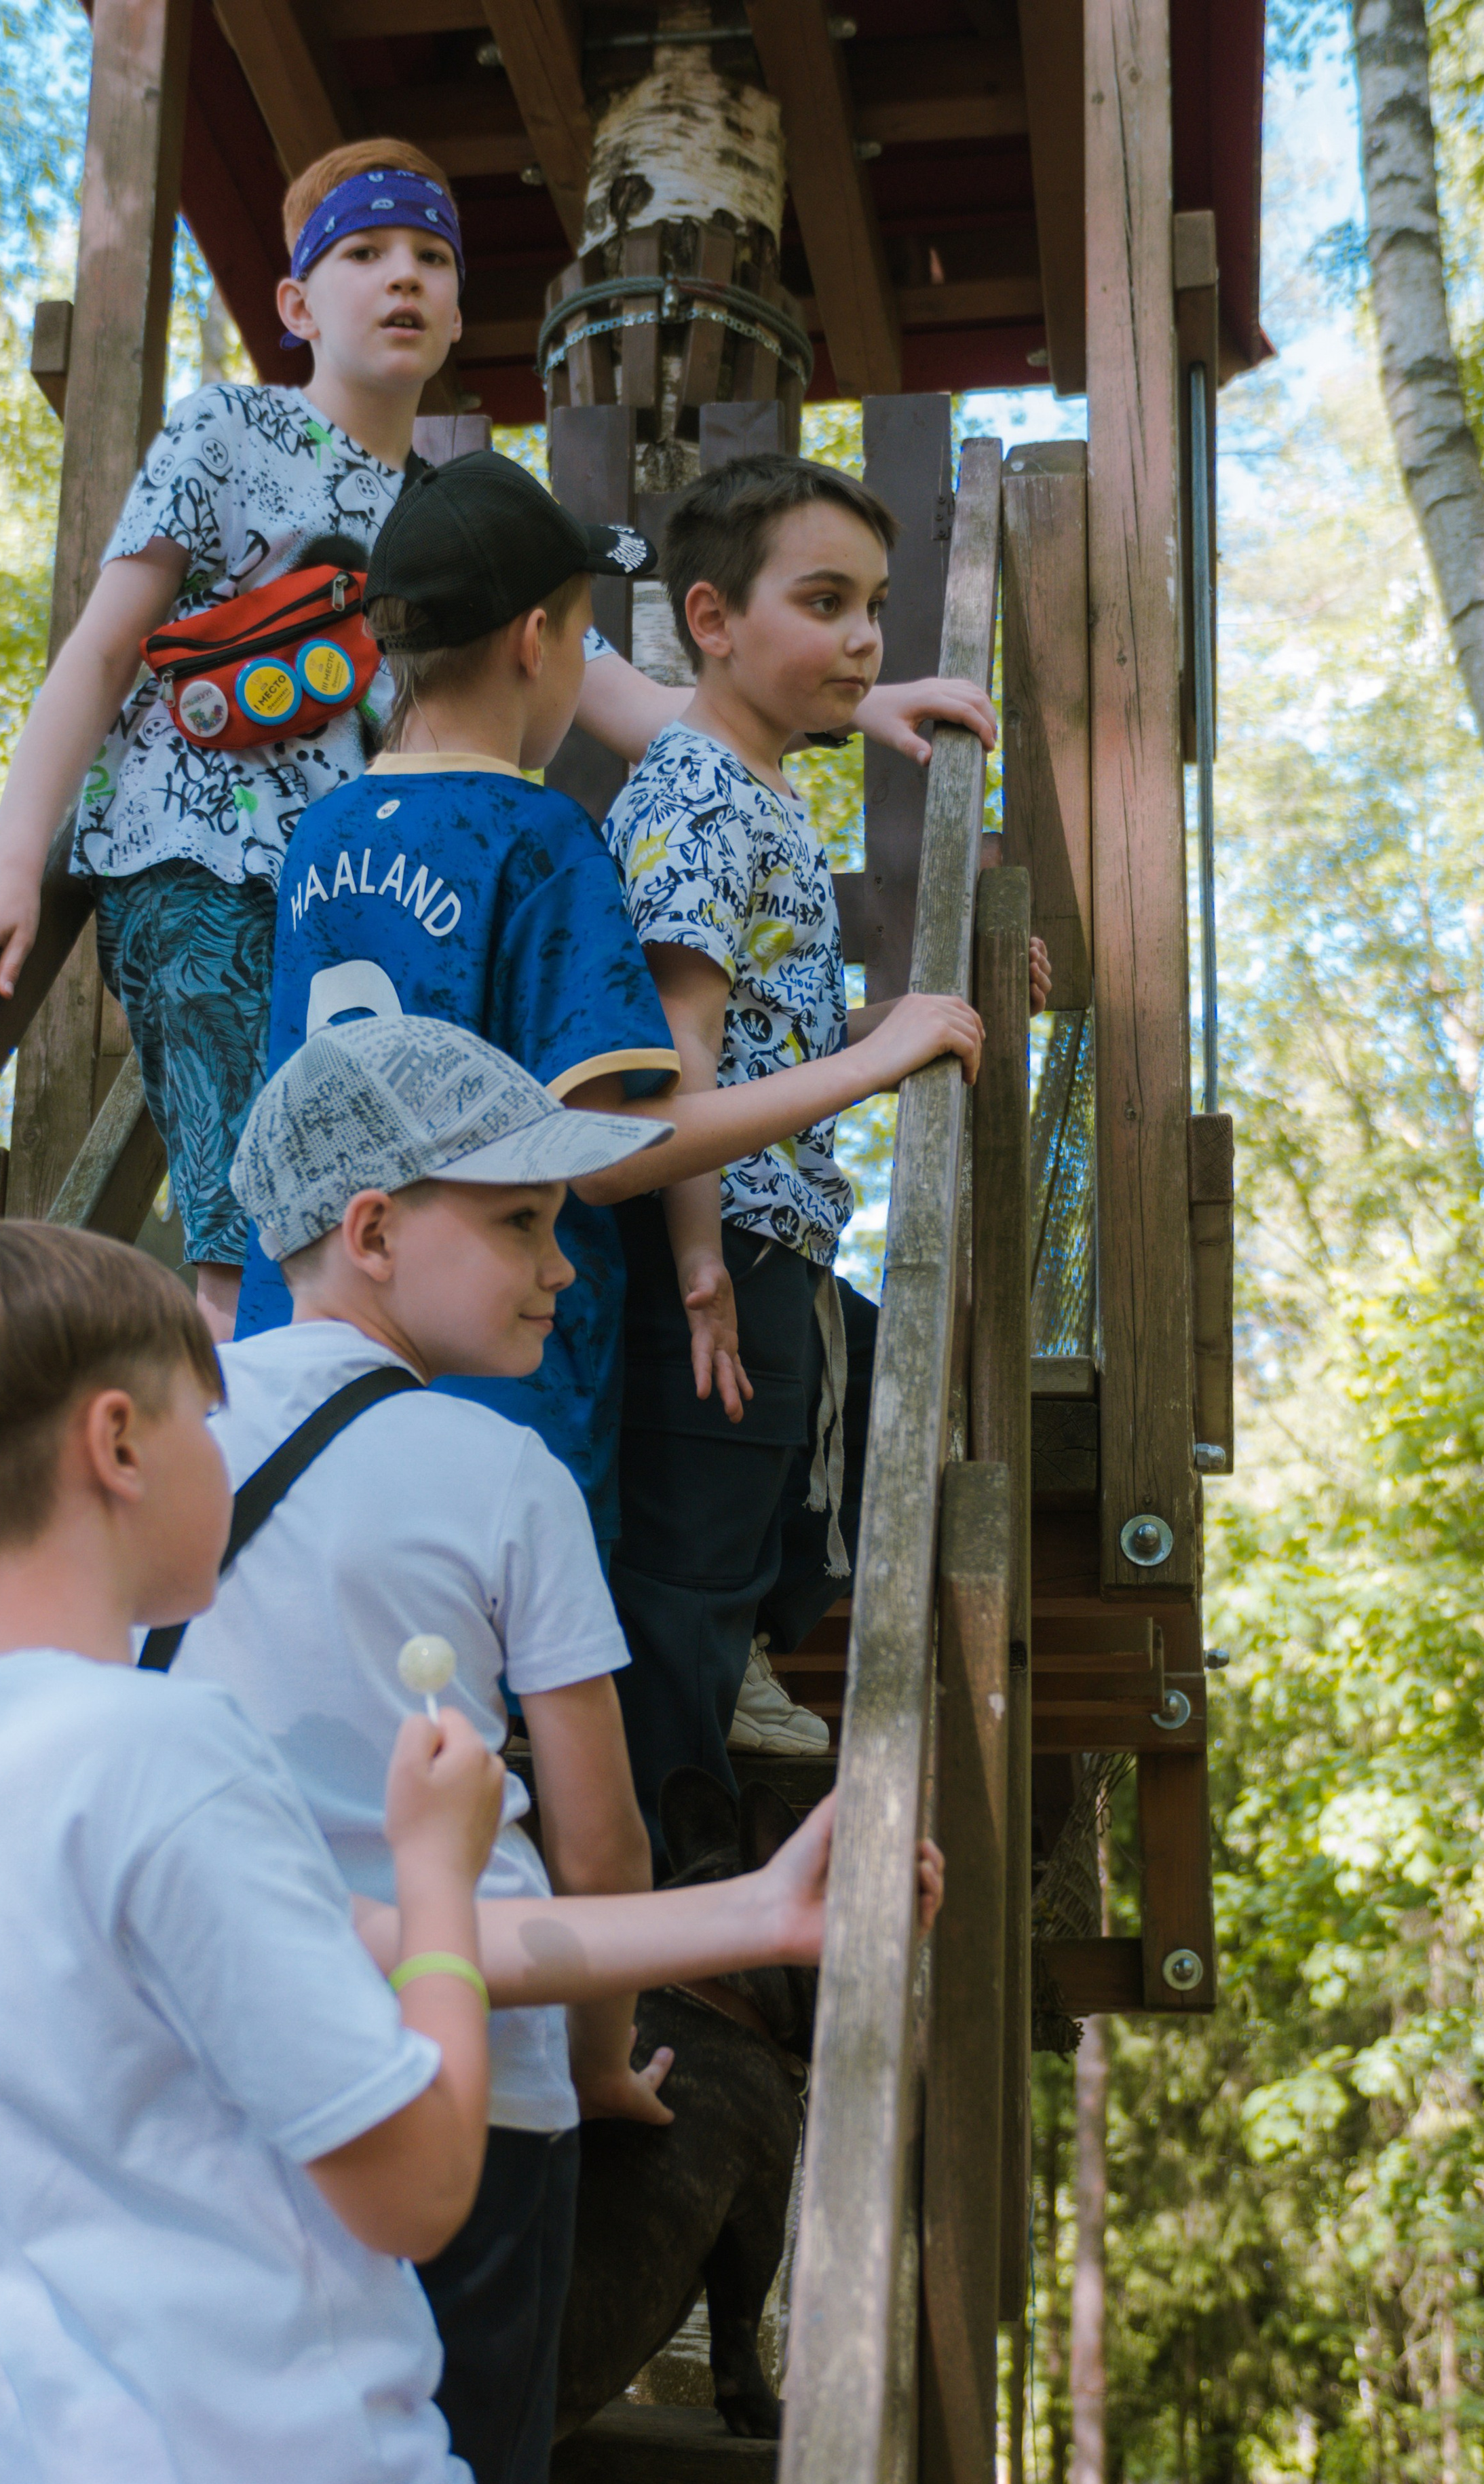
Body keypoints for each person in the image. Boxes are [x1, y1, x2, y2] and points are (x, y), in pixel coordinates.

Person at [0, 1216, 855, 2484]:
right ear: (120, 1446)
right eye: (209, 1415)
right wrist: (436, 1864)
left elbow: (384, 1956)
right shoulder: (167, 1763)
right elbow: (420, 2190)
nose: (224, 1450)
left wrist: (753, 1912)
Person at [0, 142, 995, 1344]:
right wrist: (15, 860)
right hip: (200, 868)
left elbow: (611, 688)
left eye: (432, 258)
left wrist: (860, 704)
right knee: (250, 1212)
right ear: (295, 306)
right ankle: (249, 1483)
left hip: (352, 892)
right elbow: (106, 646)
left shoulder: (446, 500)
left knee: (369, 1190)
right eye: (365, 253)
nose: (404, 278)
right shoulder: (226, 431)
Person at [241, 447, 992, 1570]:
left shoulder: (319, 839)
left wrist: (883, 1022)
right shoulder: (543, 845)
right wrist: (872, 1063)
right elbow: (611, 1149)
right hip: (499, 1381)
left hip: (302, 1359)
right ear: (541, 645)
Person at [186, 1012, 677, 2484]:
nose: (563, 1266)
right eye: (521, 1221)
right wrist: (599, 2065)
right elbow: (599, 1850)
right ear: (374, 1230)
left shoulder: (158, 1441)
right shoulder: (503, 1476)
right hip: (466, 2094)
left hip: (216, 2071)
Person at [602, 451, 1052, 1841]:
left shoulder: (758, 791)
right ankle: (676, 1844)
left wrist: (909, 1011)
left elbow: (752, 1022)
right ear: (711, 623)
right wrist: (697, 1270)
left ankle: (735, 1666)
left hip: (761, 1221)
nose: (861, 638)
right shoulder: (697, 797)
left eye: (873, 604)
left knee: (834, 1441)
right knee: (694, 1548)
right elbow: (669, 1075)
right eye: (821, 601)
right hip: (715, 1228)